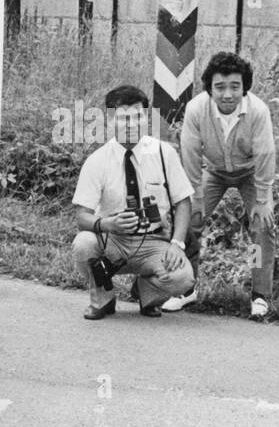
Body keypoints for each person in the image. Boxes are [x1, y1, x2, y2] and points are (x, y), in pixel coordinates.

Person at [167, 51, 277, 319]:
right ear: (209, 89)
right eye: (220, 87)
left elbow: (265, 154)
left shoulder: (258, 111)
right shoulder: (195, 109)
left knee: (261, 228)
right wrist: (195, 198)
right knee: (189, 220)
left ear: (244, 87)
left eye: (235, 87)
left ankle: (260, 294)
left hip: (250, 173)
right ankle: (186, 288)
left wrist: (263, 199)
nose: (227, 94)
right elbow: (190, 153)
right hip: (213, 171)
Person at [71, 85, 195, 319]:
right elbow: (81, 217)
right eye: (123, 118)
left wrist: (177, 243)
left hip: (153, 241)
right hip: (112, 241)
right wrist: (109, 224)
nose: (131, 124)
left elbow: (183, 202)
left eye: (137, 116)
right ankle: (103, 299)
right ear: (109, 120)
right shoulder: (97, 161)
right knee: (83, 243)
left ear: (146, 118)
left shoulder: (164, 153)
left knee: (183, 277)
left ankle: (147, 295)